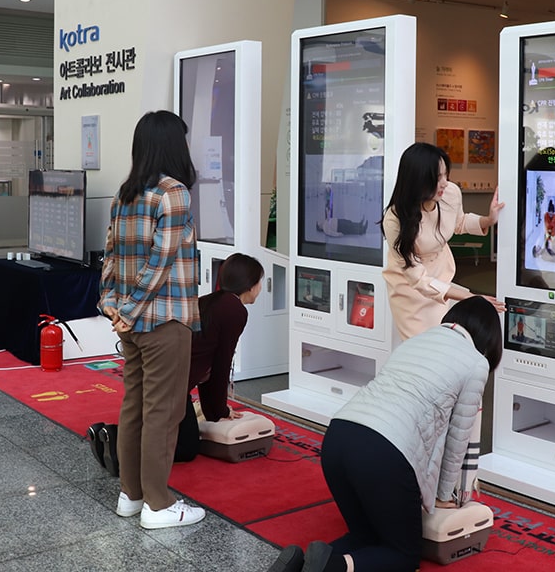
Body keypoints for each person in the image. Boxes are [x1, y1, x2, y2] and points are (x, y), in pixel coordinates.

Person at [268, 296, 503, 572]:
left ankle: (298, 565)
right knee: (403, 556)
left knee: (365, 536)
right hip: (384, 451)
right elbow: (458, 439)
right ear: (489, 337)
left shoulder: (415, 342)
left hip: (339, 436)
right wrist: (443, 496)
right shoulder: (476, 363)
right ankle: (334, 566)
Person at [98, 110, 205, 530]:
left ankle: (131, 495)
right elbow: (160, 265)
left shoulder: (124, 194)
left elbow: (110, 256)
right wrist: (127, 311)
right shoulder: (173, 193)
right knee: (163, 413)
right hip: (164, 320)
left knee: (135, 408)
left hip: (132, 324)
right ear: (173, 145)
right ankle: (158, 506)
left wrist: (112, 305)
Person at [381, 142, 504, 340]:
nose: (445, 183)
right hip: (409, 288)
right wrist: (472, 297)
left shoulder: (450, 193)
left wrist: (489, 220)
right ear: (418, 180)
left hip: (442, 275)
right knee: (421, 344)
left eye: (446, 175)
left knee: (444, 338)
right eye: (438, 177)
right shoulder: (394, 220)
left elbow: (459, 222)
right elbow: (418, 280)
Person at [174, 252, 264, 461]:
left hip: (169, 381)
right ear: (250, 285)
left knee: (185, 438)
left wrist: (214, 412)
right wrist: (220, 411)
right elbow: (221, 364)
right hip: (172, 388)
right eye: (259, 282)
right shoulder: (234, 310)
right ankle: (120, 447)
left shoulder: (211, 301)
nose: (260, 288)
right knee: (187, 449)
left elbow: (208, 364)